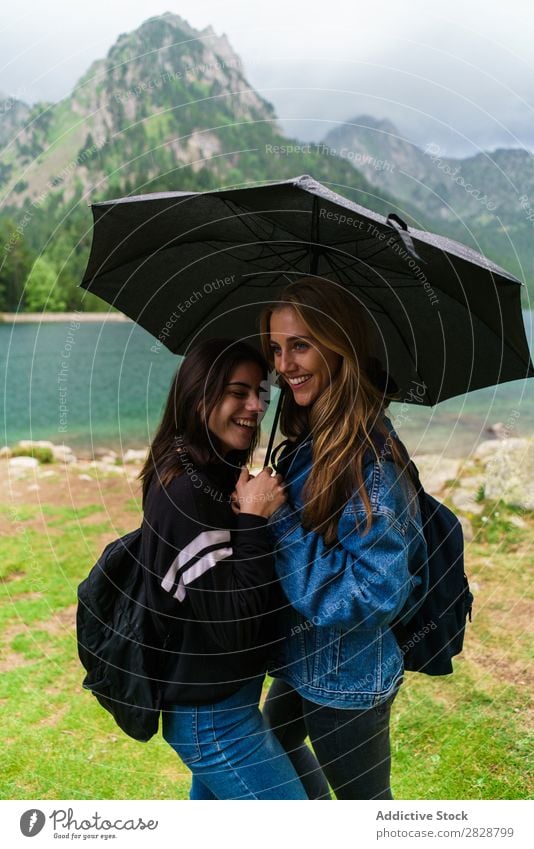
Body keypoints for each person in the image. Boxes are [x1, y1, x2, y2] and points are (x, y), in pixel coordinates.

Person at [258, 277, 428, 800]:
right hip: (306, 661)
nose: (284, 365)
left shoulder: (368, 462)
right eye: (276, 349)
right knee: (271, 746)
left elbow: (373, 595)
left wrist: (280, 520)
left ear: (341, 346)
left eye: (301, 345)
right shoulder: (316, 439)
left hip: (346, 679)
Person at [139, 338, 310, 800]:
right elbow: (232, 625)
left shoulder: (213, 475)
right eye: (238, 392)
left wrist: (246, 515)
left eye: (261, 393)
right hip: (210, 717)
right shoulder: (186, 494)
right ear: (198, 397)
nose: (255, 406)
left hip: (227, 703)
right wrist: (253, 521)